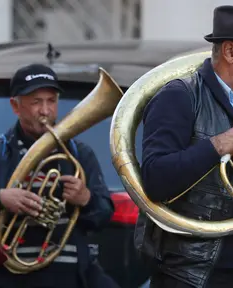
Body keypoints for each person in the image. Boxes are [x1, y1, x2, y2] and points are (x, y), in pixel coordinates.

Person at [0, 63, 117, 288]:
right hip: (11, 277)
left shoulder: (80, 154)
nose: (46, 111)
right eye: (36, 102)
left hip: (70, 276)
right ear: (15, 106)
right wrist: (1, 198)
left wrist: (85, 199)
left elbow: (103, 216)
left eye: (51, 101)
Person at [138, 5, 233, 288]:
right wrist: (218, 144)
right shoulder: (179, 96)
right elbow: (155, 180)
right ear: (230, 52)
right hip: (194, 275)